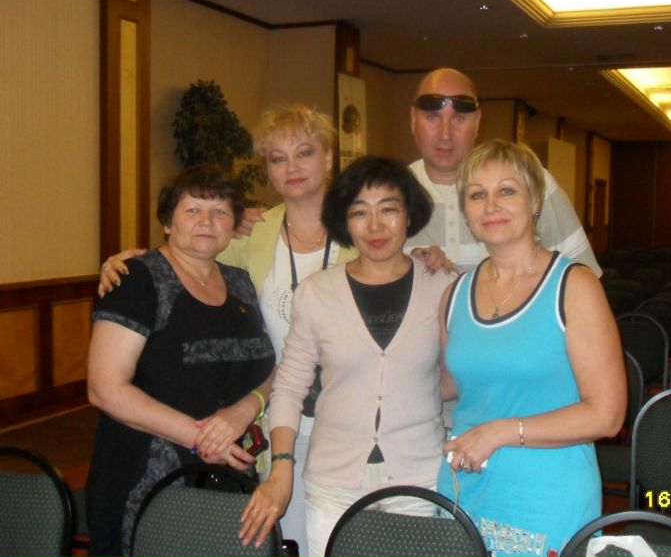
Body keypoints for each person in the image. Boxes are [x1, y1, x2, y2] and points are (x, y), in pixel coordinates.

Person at [238, 156, 455, 557]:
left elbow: (461, 376)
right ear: (344, 221)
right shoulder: (317, 292)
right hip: (333, 480)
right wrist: (281, 465)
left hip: (419, 477)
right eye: (359, 212)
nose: (375, 225)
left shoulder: (444, 284)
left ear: (409, 214)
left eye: (388, 209)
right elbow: (289, 386)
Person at [436, 139, 625, 557]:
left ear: (535, 200)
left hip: (545, 497)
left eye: (506, 190)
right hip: (465, 489)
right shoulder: (453, 295)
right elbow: (447, 387)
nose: (491, 205)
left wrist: (500, 431)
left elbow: (607, 415)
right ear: (466, 212)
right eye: (477, 195)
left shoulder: (574, 286)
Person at [86, 164, 275, 557]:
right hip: (145, 477)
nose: (207, 221)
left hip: (227, 474)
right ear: (168, 222)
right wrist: (200, 438)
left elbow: (271, 366)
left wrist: (243, 410)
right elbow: (105, 389)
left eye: (220, 211)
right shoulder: (137, 279)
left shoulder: (241, 282)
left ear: (233, 225)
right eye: (192, 210)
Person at [407, 67, 602, 276]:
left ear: (477, 122)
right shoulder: (392, 195)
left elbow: (584, 278)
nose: (445, 134)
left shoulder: (530, 181)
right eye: (432, 117)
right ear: (413, 120)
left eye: (459, 118)